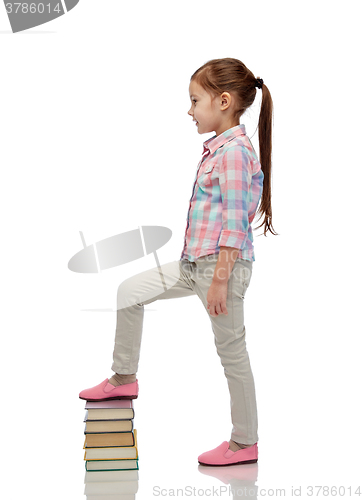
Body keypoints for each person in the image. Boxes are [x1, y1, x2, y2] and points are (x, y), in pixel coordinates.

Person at [79, 57, 277, 466]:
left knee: (232, 352)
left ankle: (245, 442)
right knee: (129, 292)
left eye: (194, 101)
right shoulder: (217, 149)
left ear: (223, 101)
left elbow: (235, 224)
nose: (189, 111)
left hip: (222, 270)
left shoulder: (236, 153)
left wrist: (220, 280)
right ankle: (124, 379)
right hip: (194, 266)